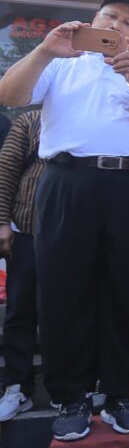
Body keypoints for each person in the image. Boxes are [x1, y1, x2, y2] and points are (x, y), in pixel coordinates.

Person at [0, 0, 129, 441]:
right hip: (66, 182)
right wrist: (44, 49)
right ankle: (71, 397)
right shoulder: (60, 64)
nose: (117, 26)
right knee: (62, 291)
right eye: (110, 16)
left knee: (128, 291)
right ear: (92, 21)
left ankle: (119, 395)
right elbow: (10, 94)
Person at [0, 110, 44, 422]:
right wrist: (2, 222)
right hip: (27, 229)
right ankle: (17, 386)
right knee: (19, 309)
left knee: (69, 311)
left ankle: (68, 388)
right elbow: (5, 172)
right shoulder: (29, 121)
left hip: (74, 234)